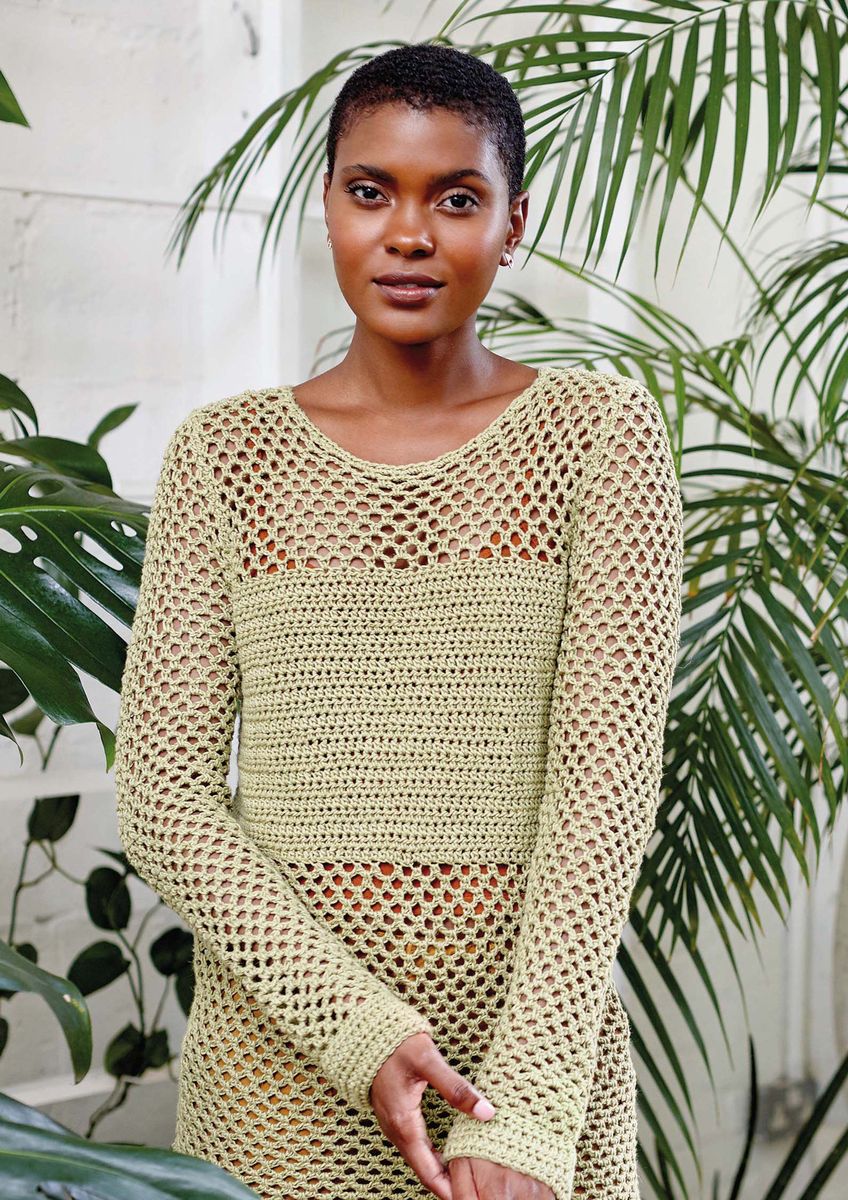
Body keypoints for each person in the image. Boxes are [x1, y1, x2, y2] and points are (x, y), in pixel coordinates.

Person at [113, 41, 684, 1200]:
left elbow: (603, 794)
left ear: (513, 223)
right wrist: (358, 1030)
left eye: (456, 199)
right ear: (327, 206)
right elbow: (163, 798)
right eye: (371, 191)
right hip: (278, 1082)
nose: (408, 234)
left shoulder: (600, 438)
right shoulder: (224, 457)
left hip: (523, 1076)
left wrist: (526, 1109)